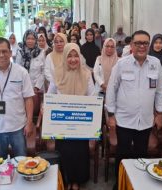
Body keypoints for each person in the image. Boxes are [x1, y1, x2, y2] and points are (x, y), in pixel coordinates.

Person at [106, 30, 162, 189]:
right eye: (138, 43)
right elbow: (112, 89)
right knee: (123, 156)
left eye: (145, 43)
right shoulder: (121, 64)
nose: (142, 46)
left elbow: (160, 90)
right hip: (124, 120)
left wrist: (159, 113)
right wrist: (111, 115)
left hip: (145, 121)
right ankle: (120, 184)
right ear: (131, 45)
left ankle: (137, 185)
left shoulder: (156, 64)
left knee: (141, 156)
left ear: (149, 45)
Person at [47, 43, 95, 190]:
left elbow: (92, 98)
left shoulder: (86, 74)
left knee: (79, 153)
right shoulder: (58, 73)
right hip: (63, 126)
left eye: (76, 56)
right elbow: (50, 95)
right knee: (65, 152)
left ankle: (77, 181)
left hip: (81, 125)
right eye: (70, 56)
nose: (73, 59)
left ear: (80, 57)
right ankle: (66, 179)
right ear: (65, 58)